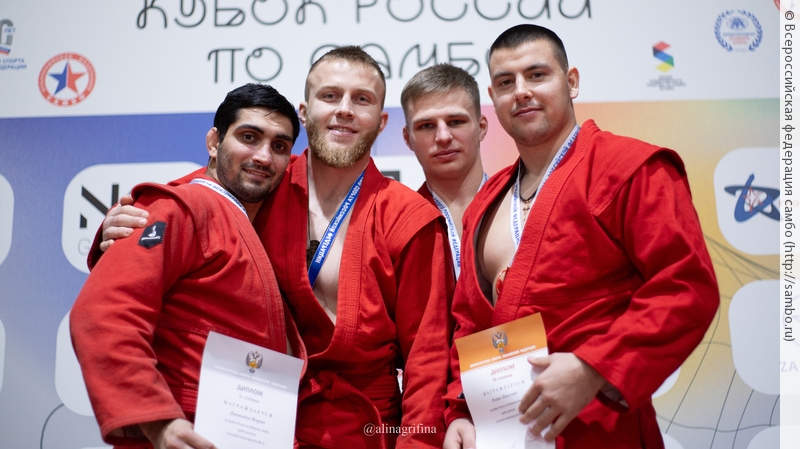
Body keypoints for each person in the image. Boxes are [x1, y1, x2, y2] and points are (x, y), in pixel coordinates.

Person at [91, 47, 454, 449]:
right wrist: (132, 221)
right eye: (330, 96)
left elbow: (427, 356)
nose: (344, 110)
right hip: (251, 413)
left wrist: (418, 443)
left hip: (362, 428)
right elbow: (196, 199)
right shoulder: (262, 182)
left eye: (362, 99)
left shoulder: (409, 218)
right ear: (305, 111)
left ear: (382, 121)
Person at [442, 24, 720, 449]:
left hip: (600, 428)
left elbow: (685, 287)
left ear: (571, 82)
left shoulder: (630, 167)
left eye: (537, 75)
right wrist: (461, 410)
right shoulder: (486, 202)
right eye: (506, 82)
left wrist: (594, 368)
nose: (521, 91)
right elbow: (470, 324)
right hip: (504, 431)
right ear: (493, 99)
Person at [71, 84, 305, 449]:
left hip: (250, 432)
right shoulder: (176, 208)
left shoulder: (237, 213)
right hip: (184, 433)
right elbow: (103, 314)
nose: (263, 156)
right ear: (214, 142)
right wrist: (158, 421)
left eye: (279, 146)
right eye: (249, 137)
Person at [400, 63, 488, 279]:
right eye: (426, 126)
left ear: (481, 127)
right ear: (407, 139)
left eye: (455, 122)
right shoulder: (399, 225)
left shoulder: (520, 208)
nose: (443, 137)